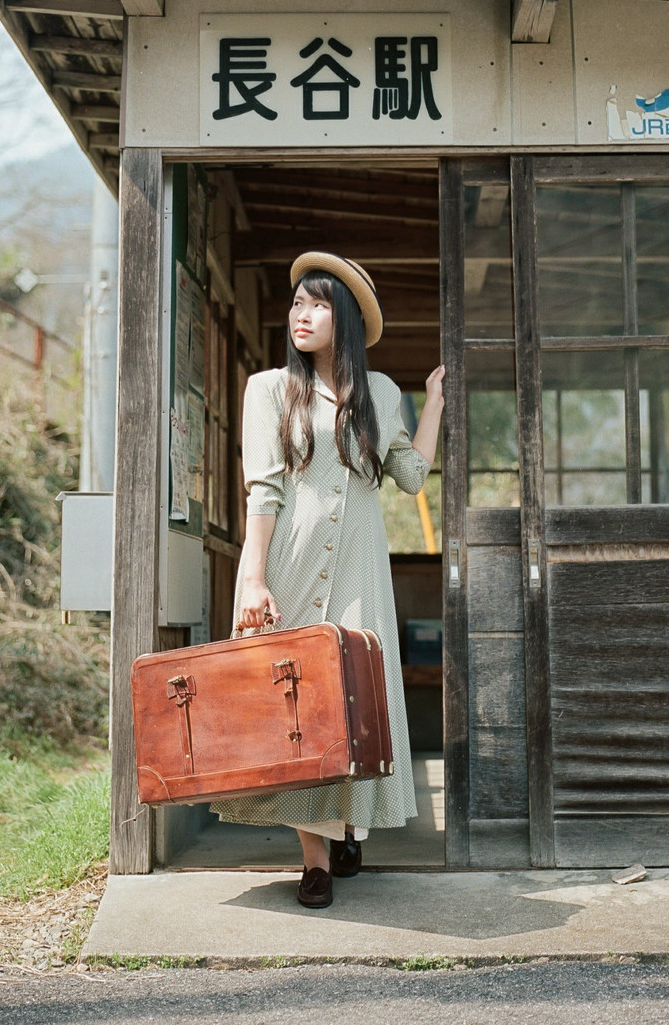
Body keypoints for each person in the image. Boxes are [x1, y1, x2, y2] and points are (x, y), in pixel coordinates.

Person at [210, 251, 445, 909]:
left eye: (316, 305)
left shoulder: (384, 395)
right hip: (290, 558)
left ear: (342, 317)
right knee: (295, 705)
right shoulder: (266, 389)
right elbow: (262, 490)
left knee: (351, 701)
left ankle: (345, 825)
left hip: (360, 567)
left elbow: (411, 476)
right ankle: (314, 859)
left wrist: (436, 404)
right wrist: (252, 578)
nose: (301, 315)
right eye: (296, 304)